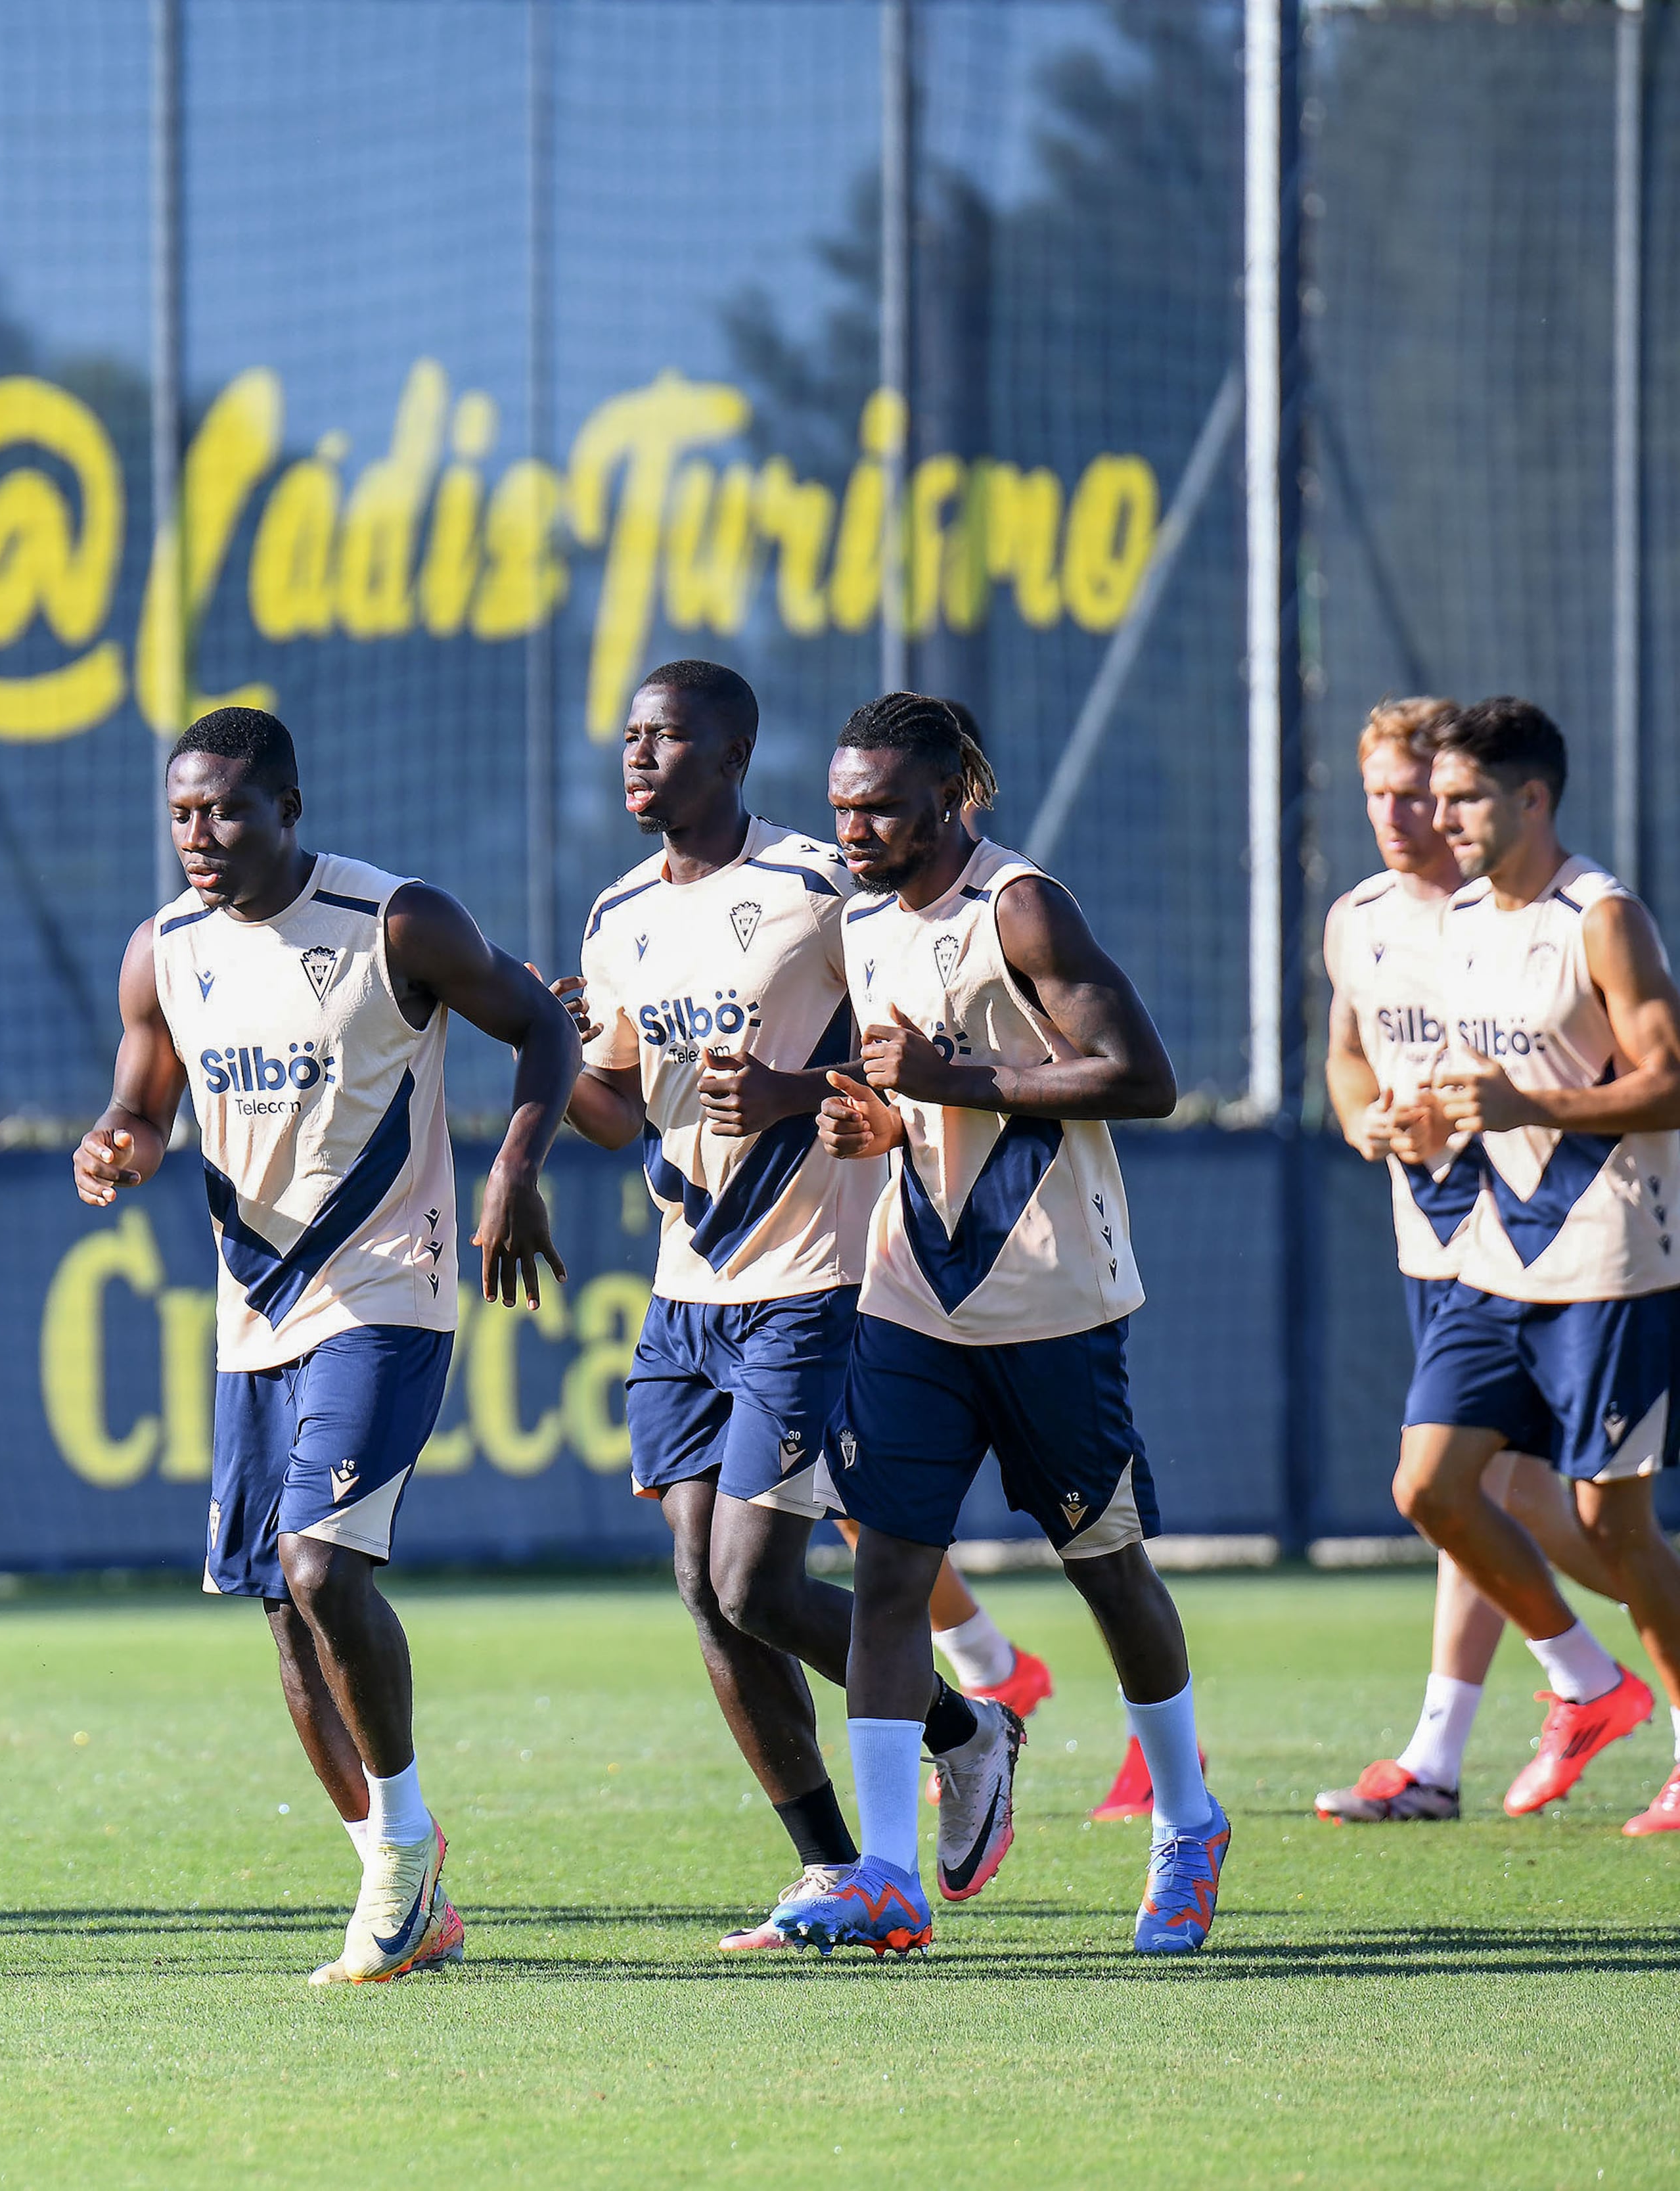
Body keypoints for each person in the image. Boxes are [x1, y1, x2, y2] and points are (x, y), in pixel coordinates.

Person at [75, 704, 578, 1984]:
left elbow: (544, 1026)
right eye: (183, 812)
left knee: (319, 1565)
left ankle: (404, 1855)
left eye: (229, 810)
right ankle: (395, 1875)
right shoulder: (162, 950)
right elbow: (142, 1098)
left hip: (384, 1291)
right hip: (254, 1316)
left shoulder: (396, 921)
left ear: (290, 811)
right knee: (285, 1615)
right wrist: (119, 1143)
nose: (201, 834)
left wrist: (517, 1168)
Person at [551, 662, 1022, 1954]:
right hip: (684, 1287)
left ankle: (966, 1725)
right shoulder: (615, 913)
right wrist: (552, 1061)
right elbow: (613, 1107)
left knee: (755, 1579)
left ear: (737, 749)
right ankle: (833, 1873)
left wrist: (788, 1089)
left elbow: (904, 1056)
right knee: (708, 1596)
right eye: (631, 735)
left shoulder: (818, 886)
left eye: (671, 736)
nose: (641, 757)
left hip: (816, 1279)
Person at [777, 693, 1223, 1956]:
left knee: (1106, 1569)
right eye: (840, 804)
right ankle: (883, 1870)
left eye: (879, 805)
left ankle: (1188, 1822)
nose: (853, 827)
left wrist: (949, 1082)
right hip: (912, 1296)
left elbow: (1143, 1078)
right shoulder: (861, 918)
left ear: (950, 797)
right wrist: (876, 1116)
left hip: (1052, 1304)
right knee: (885, 1578)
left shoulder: (1019, 904)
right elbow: (905, 1093)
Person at [1315, 697, 1629, 1823]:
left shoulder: (1527, 916)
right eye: (1383, 797)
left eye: (1424, 793)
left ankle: (1536, 1707)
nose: (1405, 818)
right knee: (1496, 1502)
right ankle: (1482, 1737)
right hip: (1431, 1233)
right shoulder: (1358, 917)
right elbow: (1350, 1056)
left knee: (1512, 1501)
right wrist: (1367, 1123)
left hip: (1537, 1233)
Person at [1392, 697, 1680, 1835]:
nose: (1438, 814)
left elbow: (1666, 1078)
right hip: (1494, 1254)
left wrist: (1530, 1102)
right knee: (1429, 1486)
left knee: (1612, 1526)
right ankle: (1583, 1678)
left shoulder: (1600, 916)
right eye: (1436, 793)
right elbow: (1483, 1065)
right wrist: (1437, 1115)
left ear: (1532, 798)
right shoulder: (1463, 915)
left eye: (1463, 796)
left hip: (1611, 1257)